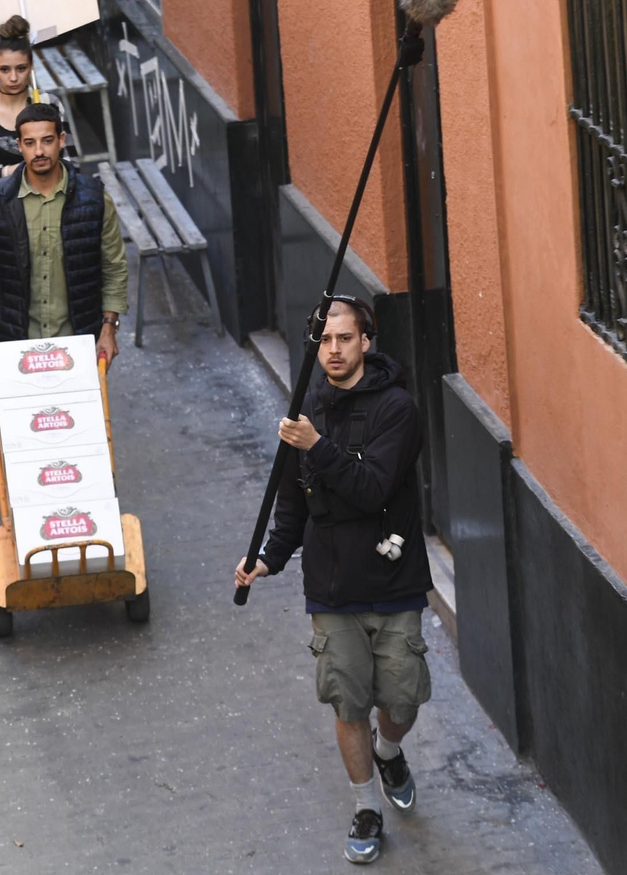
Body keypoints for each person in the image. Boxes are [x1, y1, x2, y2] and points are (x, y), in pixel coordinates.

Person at [234, 297, 432, 866]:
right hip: (332, 588)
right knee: (348, 703)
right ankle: (365, 806)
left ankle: (389, 749)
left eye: (345, 339)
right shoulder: (305, 412)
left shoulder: (398, 409)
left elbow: (372, 489)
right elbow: (293, 506)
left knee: (401, 696)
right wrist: (267, 560)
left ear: (367, 341)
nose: (335, 351)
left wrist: (316, 446)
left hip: (393, 581)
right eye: (325, 341)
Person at [0, 102, 128, 370]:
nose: (39, 151)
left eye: (47, 141)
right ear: (19, 145)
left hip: (82, 341)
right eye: (30, 143)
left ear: (61, 140)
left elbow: (114, 268)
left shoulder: (95, 198)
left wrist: (109, 330)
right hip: (17, 344)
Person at [0, 15, 77, 190]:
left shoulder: (50, 104)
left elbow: (70, 162)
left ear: (31, 66)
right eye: (4, 69)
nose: (13, 78)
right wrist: (24, 170)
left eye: (21, 68)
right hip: (5, 207)